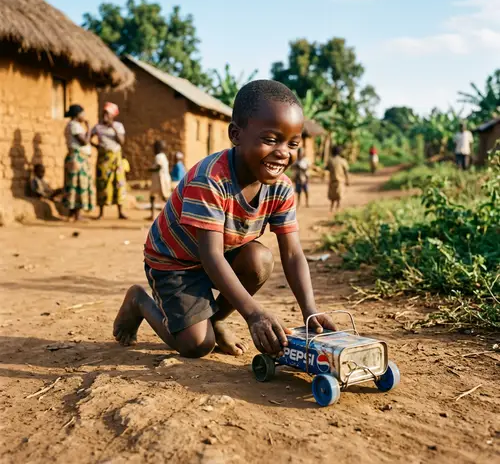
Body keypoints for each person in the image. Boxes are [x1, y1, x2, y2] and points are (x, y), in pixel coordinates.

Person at [113, 80, 335, 359]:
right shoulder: (211, 180)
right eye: (270, 139)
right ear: (236, 134)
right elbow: (211, 257)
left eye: (293, 143)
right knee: (197, 346)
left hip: (219, 255)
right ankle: (139, 302)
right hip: (175, 262)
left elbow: (292, 254)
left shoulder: (281, 187)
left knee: (260, 260)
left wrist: (310, 310)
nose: (283, 152)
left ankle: (215, 319)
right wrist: (253, 314)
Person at [91, 102, 128, 219]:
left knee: (118, 183)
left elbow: (121, 142)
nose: (105, 115)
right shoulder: (97, 127)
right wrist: (96, 146)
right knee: (102, 183)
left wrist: (112, 127)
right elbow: (88, 138)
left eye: (107, 113)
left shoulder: (118, 126)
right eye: (104, 113)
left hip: (116, 158)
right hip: (103, 159)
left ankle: (120, 212)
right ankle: (101, 212)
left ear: (113, 115)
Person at [63, 104, 93, 221]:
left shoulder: (73, 125)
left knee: (74, 185)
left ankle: (73, 214)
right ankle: (76, 214)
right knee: (78, 186)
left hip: (77, 159)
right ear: (78, 114)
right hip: (77, 159)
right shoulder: (74, 126)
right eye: (83, 113)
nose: (84, 116)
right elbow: (84, 142)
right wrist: (89, 129)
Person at [149, 140, 171, 220]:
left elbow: (158, 167)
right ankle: (168, 215)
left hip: (160, 180)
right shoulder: (163, 156)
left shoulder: (158, 156)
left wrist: (150, 169)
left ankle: (153, 215)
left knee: (160, 197)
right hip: (162, 179)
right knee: (156, 196)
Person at [327, 146, 349, 213]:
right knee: (339, 195)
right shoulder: (343, 161)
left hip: (332, 180)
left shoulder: (330, 160)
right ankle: (338, 208)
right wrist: (347, 180)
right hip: (340, 181)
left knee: (332, 196)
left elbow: (327, 169)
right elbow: (346, 172)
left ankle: (332, 208)